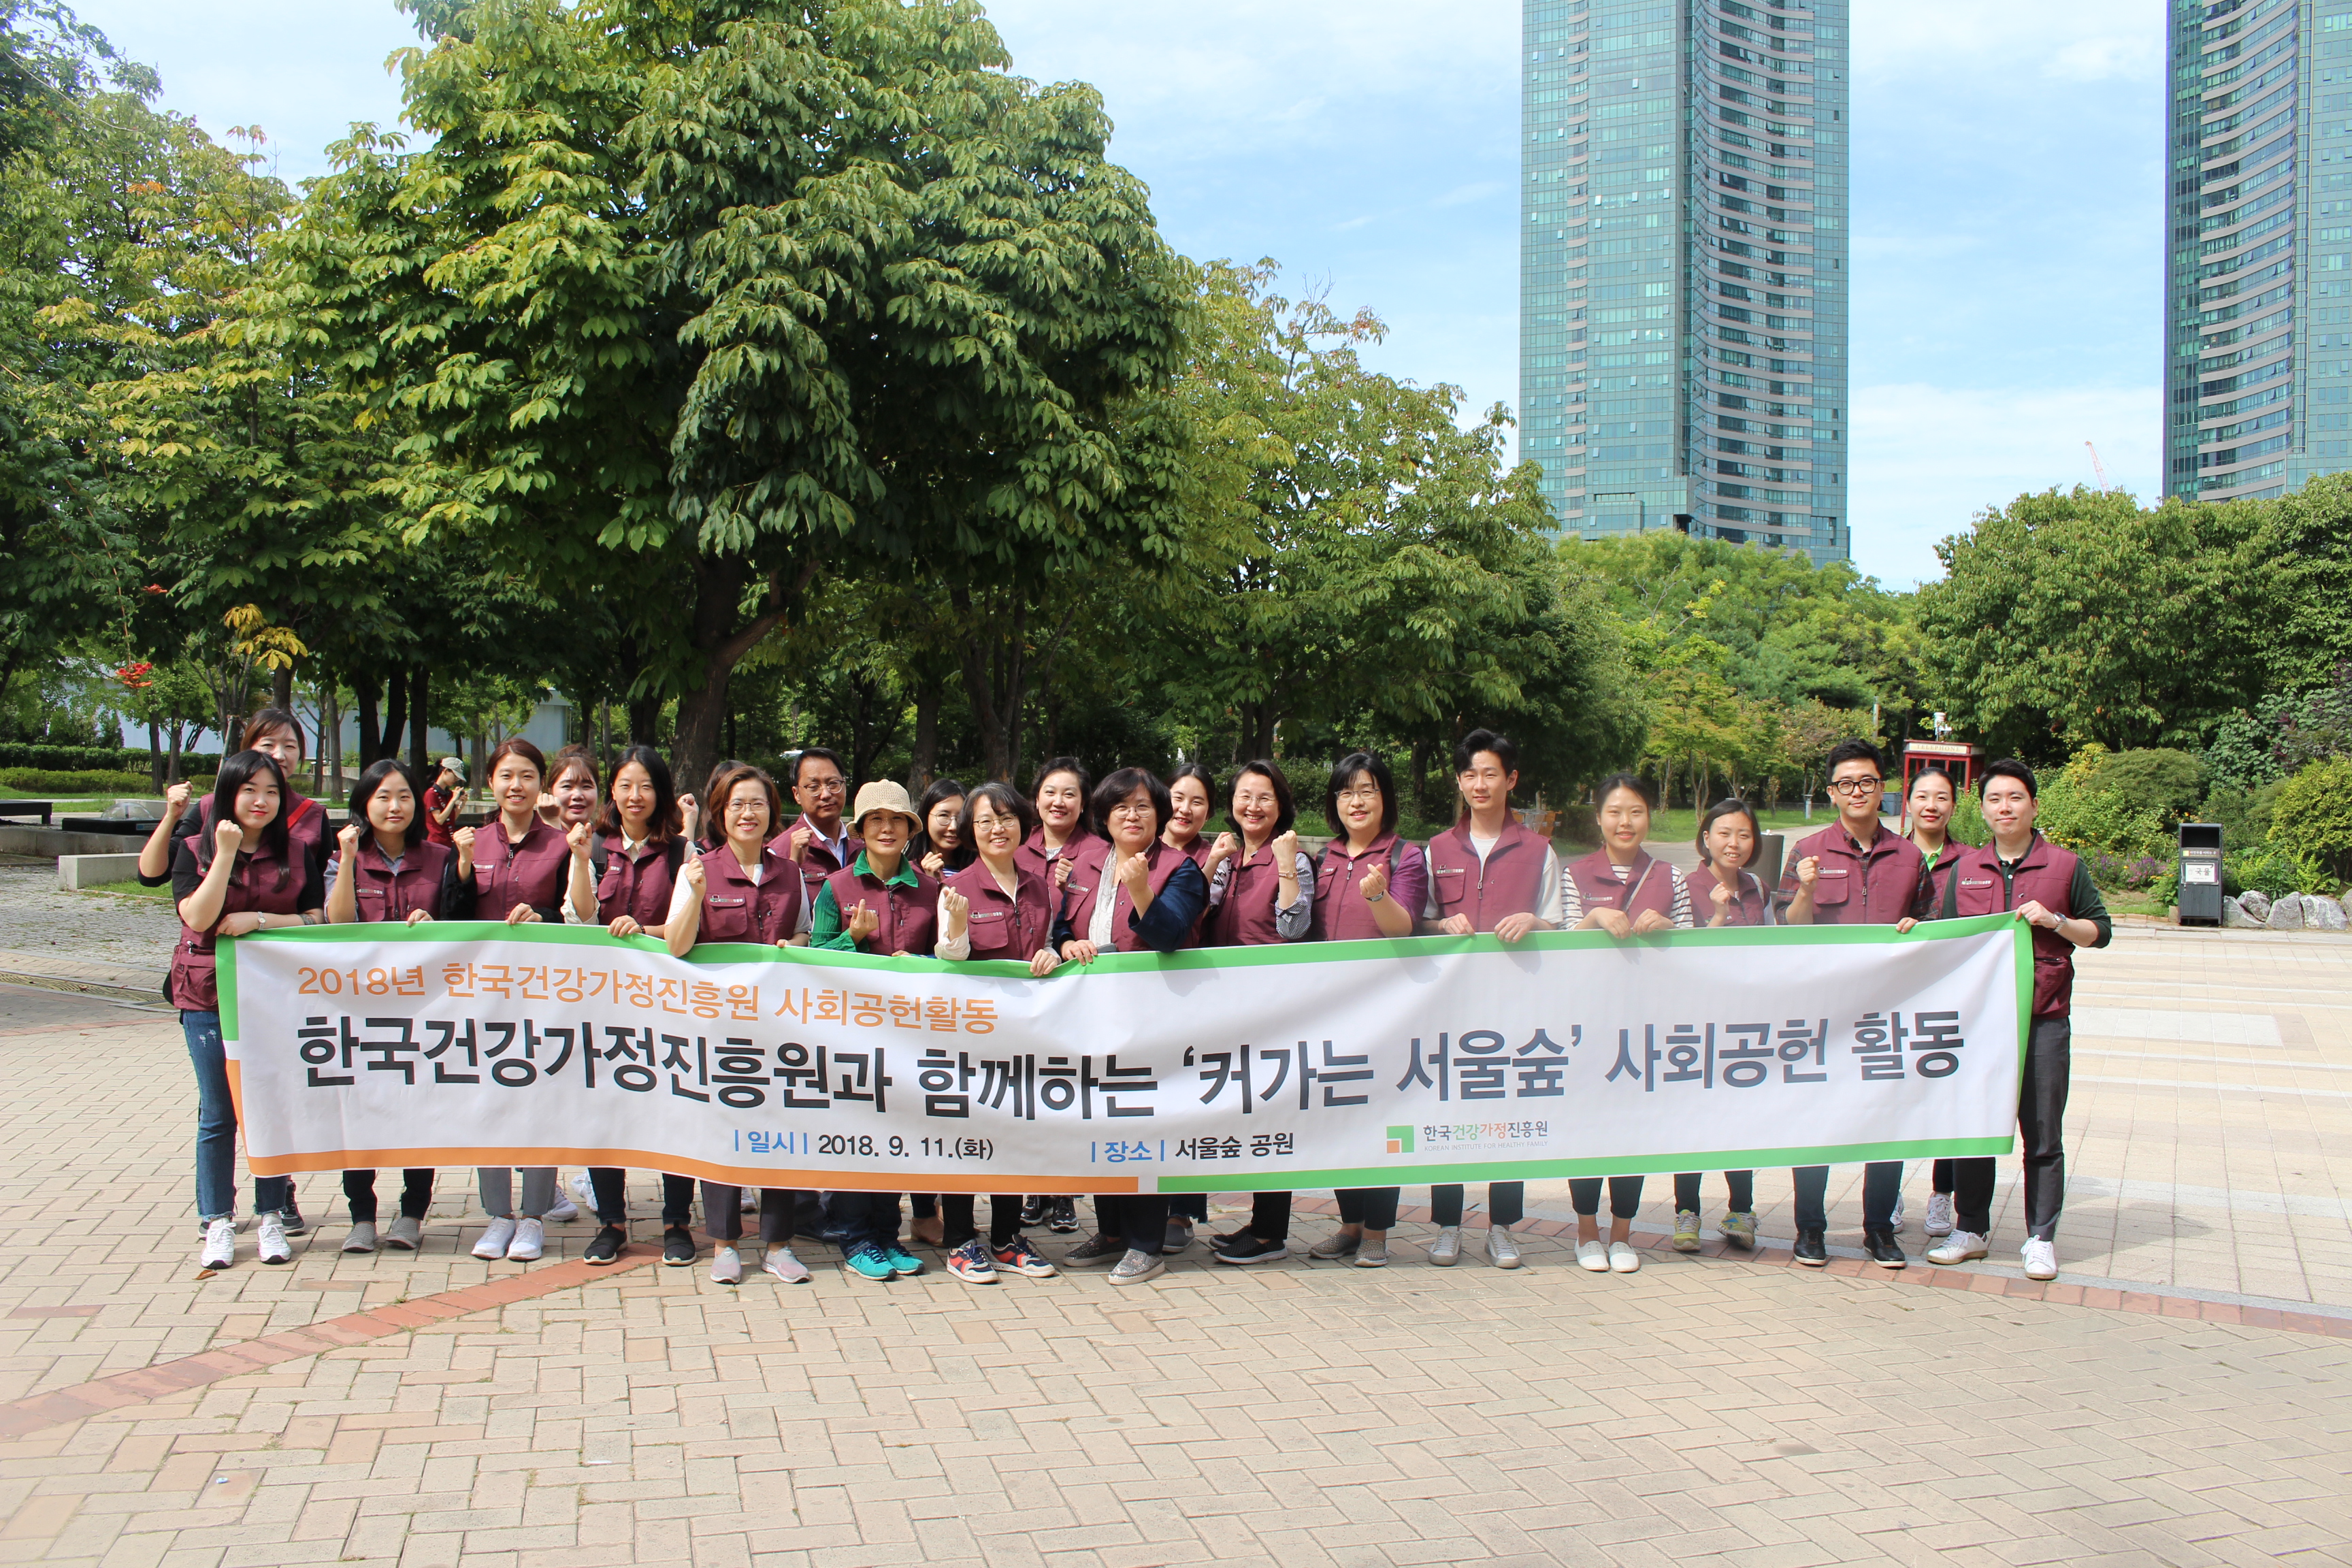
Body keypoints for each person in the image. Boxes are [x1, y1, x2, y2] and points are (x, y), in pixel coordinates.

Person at [1925, 760, 2110, 1282]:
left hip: (2044, 1021)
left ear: (2033, 804)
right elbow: (1946, 942)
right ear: (1982, 809)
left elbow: (2101, 930)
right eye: (1994, 800)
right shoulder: (1966, 868)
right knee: (1977, 1131)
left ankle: (2040, 1238)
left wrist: (2055, 921)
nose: (2004, 808)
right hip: (1981, 1026)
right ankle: (1972, 1230)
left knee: (2043, 1135)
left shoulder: (2065, 867)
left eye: (2015, 798)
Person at [1052, 767, 1211, 1287]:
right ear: (1104, 815)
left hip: (1151, 1023)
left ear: (1160, 813)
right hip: (1090, 1018)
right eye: (1121, 806)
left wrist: (1142, 890)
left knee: (1141, 1129)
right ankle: (1113, 1232)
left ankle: (1147, 1244)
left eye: (1143, 806)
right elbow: (1058, 923)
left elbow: (1169, 934)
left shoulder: (1182, 869)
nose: (1132, 815)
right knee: (1100, 1123)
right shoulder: (1084, 863)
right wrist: (1065, 944)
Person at [662, 762, 819, 1286]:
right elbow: (677, 945)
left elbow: (805, 937)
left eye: (757, 804)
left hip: (777, 1027)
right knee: (723, 1132)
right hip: (718, 1027)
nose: (748, 813)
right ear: (720, 814)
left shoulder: (790, 873)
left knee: (779, 1130)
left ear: (773, 813)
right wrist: (695, 892)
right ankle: (725, 1244)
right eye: (737, 805)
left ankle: (778, 1244)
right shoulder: (699, 868)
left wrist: (789, 948)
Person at [1781, 738, 1932, 1270]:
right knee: (1816, 1122)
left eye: (1868, 781)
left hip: (1888, 1016)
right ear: (1831, 793)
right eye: (1846, 783)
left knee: (1886, 1123)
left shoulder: (1910, 855)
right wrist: (1803, 891)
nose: (1858, 792)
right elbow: (1785, 931)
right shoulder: (1808, 852)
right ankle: (1811, 1230)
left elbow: (1933, 928)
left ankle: (1878, 1231)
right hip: (1824, 1013)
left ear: (1882, 788)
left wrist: (1922, 930)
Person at [172, 751, 325, 1269]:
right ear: (228, 795)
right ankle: (216, 1220)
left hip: (275, 996)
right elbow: (197, 914)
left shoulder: (298, 851)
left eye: (272, 792)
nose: (261, 802)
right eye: (249, 791)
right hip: (207, 995)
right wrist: (223, 854)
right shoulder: (195, 846)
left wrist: (259, 919)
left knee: (268, 1105)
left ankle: (272, 1216)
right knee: (219, 1113)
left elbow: (317, 919)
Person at [1421, 729, 1562, 1269]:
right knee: (1447, 1111)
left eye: (1490, 774)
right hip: (1451, 1006)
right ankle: (1447, 1226)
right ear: (1458, 781)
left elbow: (1564, 925)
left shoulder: (1539, 850)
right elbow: (1419, 922)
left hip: (1517, 1008)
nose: (1479, 784)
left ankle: (1503, 1227)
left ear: (1511, 780)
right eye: (1470, 774)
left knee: (1509, 1115)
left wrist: (1537, 921)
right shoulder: (1436, 849)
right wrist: (1439, 925)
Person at [326, 759, 471, 1254]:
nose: (395, 807)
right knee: (359, 1108)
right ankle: (361, 1216)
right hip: (358, 1009)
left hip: (421, 1010)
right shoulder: (345, 854)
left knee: (417, 1107)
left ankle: (412, 1213)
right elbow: (338, 922)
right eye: (384, 797)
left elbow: (459, 927)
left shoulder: (439, 857)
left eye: (405, 796)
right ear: (365, 803)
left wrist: (434, 924)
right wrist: (347, 860)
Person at [808, 780, 942, 1282]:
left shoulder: (931, 890)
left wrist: (923, 961)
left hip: (909, 1038)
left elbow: (951, 960)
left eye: (897, 821)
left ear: (910, 830)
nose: (887, 829)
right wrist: (853, 937)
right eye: (875, 821)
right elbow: (812, 959)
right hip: (851, 1036)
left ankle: (888, 1234)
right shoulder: (837, 887)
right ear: (860, 831)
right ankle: (856, 1236)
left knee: (898, 1136)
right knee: (857, 1136)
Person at [1561, 771, 1694, 1273]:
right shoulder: (1575, 875)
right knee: (1587, 1131)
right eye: (1614, 812)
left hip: (1645, 1028)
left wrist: (1672, 929)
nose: (1625, 821)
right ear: (1598, 818)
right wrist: (1593, 921)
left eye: (1635, 812)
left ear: (1649, 817)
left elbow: (1695, 951)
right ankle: (1586, 1232)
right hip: (1588, 1026)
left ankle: (1622, 1234)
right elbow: (1559, 951)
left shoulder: (1670, 876)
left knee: (1632, 1133)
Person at [931, 781, 1063, 1284]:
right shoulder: (956, 887)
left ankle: (1007, 1238)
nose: (997, 829)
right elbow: (948, 958)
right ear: (970, 831)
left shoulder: (1039, 886)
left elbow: (1048, 942)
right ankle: (962, 1240)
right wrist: (959, 927)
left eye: (1006, 818)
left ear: (1022, 824)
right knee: (966, 1136)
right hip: (971, 1037)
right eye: (985, 821)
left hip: (1025, 1036)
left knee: (1015, 1133)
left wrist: (1053, 952)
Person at [571, 745, 698, 1268]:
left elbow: (687, 929)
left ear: (661, 792)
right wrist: (579, 859)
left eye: (645, 785)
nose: (634, 796)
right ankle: (611, 1222)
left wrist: (640, 931)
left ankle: (676, 1222)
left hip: (665, 1005)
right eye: (625, 784)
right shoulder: (593, 848)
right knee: (606, 1111)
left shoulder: (684, 853)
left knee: (674, 1108)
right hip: (601, 1004)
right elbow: (579, 916)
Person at [1306, 751, 1426, 1269]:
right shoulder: (1322, 856)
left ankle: (1377, 1232)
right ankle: (1350, 1224)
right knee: (1335, 1121)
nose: (1357, 801)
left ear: (1386, 799)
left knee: (1379, 1121)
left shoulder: (1404, 855)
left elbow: (1403, 927)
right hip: (1330, 1012)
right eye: (1347, 791)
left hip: (1386, 1014)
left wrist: (1378, 897)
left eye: (1368, 790)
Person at [1195, 762, 1314, 1267]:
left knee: (1272, 1112)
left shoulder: (1295, 858)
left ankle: (1271, 1233)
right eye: (1245, 796)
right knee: (1246, 1113)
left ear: (1281, 804)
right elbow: (1197, 912)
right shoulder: (1226, 856)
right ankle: (1260, 1222)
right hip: (1224, 1004)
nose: (1253, 806)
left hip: (1272, 1006)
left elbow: (1294, 927)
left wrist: (1286, 863)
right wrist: (1211, 861)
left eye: (1264, 797)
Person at [465, 738, 578, 1258]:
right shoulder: (469, 843)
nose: (517, 785)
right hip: (480, 997)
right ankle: (497, 1215)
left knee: (539, 1101)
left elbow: (576, 920)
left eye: (528, 776)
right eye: (507, 775)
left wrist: (545, 919)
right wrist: (463, 865)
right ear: (492, 781)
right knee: (489, 1102)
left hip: (542, 997)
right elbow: (453, 913)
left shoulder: (561, 844)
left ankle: (533, 1217)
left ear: (542, 785)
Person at [1671, 797, 1772, 1255]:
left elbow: (1775, 948)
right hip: (1693, 1024)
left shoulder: (1759, 888)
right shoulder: (1683, 884)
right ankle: (1686, 1211)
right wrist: (1714, 914)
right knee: (1691, 1118)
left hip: (1744, 1025)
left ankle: (1741, 1211)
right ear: (1706, 838)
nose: (1734, 843)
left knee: (1742, 1118)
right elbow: (1678, 957)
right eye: (1725, 833)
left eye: (1744, 834)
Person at [1015, 756, 1096, 1235]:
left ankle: (1065, 1193)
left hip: (1077, 992)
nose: (1058, 801)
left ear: (1083, 801)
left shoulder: (1101, 852)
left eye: (1069, 793)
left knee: (1068, 1091)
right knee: (1027, 1091)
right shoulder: (1015, 848)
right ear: (1036, 798)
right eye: (1050, 792)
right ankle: (1032, 1188)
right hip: (1022, 991)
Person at [1905, 764, 1965, 1241]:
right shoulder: (1889, 856)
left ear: (1954, 805)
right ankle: (1887, 1197)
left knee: (1949, 1098)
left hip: (1951, 996)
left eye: (1941, 797)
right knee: (1892, 1095)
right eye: (1923, 796)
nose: (1931, 805)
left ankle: (1942, 1196)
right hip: (1897, 997)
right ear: (1907, 803)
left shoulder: (1971, 862)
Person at [772, 747, 860, 877]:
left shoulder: (862, 847)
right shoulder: (779, 852)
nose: (826, 794)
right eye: (814, 787)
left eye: (833, 784)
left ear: (845, 786)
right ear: (796, 794)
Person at [1162, 763, 1216, 868]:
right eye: (1178, 798)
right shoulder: (1140, 848)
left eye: (1196, 802)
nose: (1185, 809)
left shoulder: (1216, 860)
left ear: (1209, 812)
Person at [424, 757, 466, 848]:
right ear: (446, 771)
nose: (456, 780)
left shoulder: (449, 794)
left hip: (449, 842)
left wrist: (462, 804)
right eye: (455, 776)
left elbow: (451, 818)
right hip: (436, 844)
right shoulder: (431, 794)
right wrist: (454, 800)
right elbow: (439, 820)